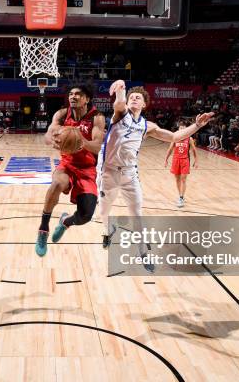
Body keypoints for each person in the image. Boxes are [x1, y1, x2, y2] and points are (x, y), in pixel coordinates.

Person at [99, 80, 213, 269]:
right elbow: (118, 103)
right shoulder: (120, 114)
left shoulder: (147, 126)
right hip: (108, 172)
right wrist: (121, 88)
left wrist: (197, 126)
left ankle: (143, 252)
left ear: (144, 104)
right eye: (131, 97)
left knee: (137, 214)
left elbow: (175, 137)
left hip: (129, 174)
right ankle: (108, 229)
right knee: (103, 212)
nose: (134, 99)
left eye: (138, 98)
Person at [35, 85, 105, 257]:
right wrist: (53, 140)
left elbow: (97, 147)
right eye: (71, 94)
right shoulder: (61, 114)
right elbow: (47, 136)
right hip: (67, 164)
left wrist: (81, 142)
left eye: (78, 94)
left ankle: (66, 221)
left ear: (87, 99)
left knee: (85, 216)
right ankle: (43, 229)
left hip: (87, 169)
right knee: (57, 183)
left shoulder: (97, 118)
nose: (73, 97)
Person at [164, 121, 198, 208]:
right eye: (180, 128)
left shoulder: (189, 139)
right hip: (176, 160)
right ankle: (180, 195)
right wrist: (166, 159)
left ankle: (181, 197)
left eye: (183, 128)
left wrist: (196, 161)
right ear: (178, 129)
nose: (182, 129)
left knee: (183, 179)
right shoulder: (175, 138)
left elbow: (194, 150)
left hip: (185, 160)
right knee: (177, 179)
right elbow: (170, 149)